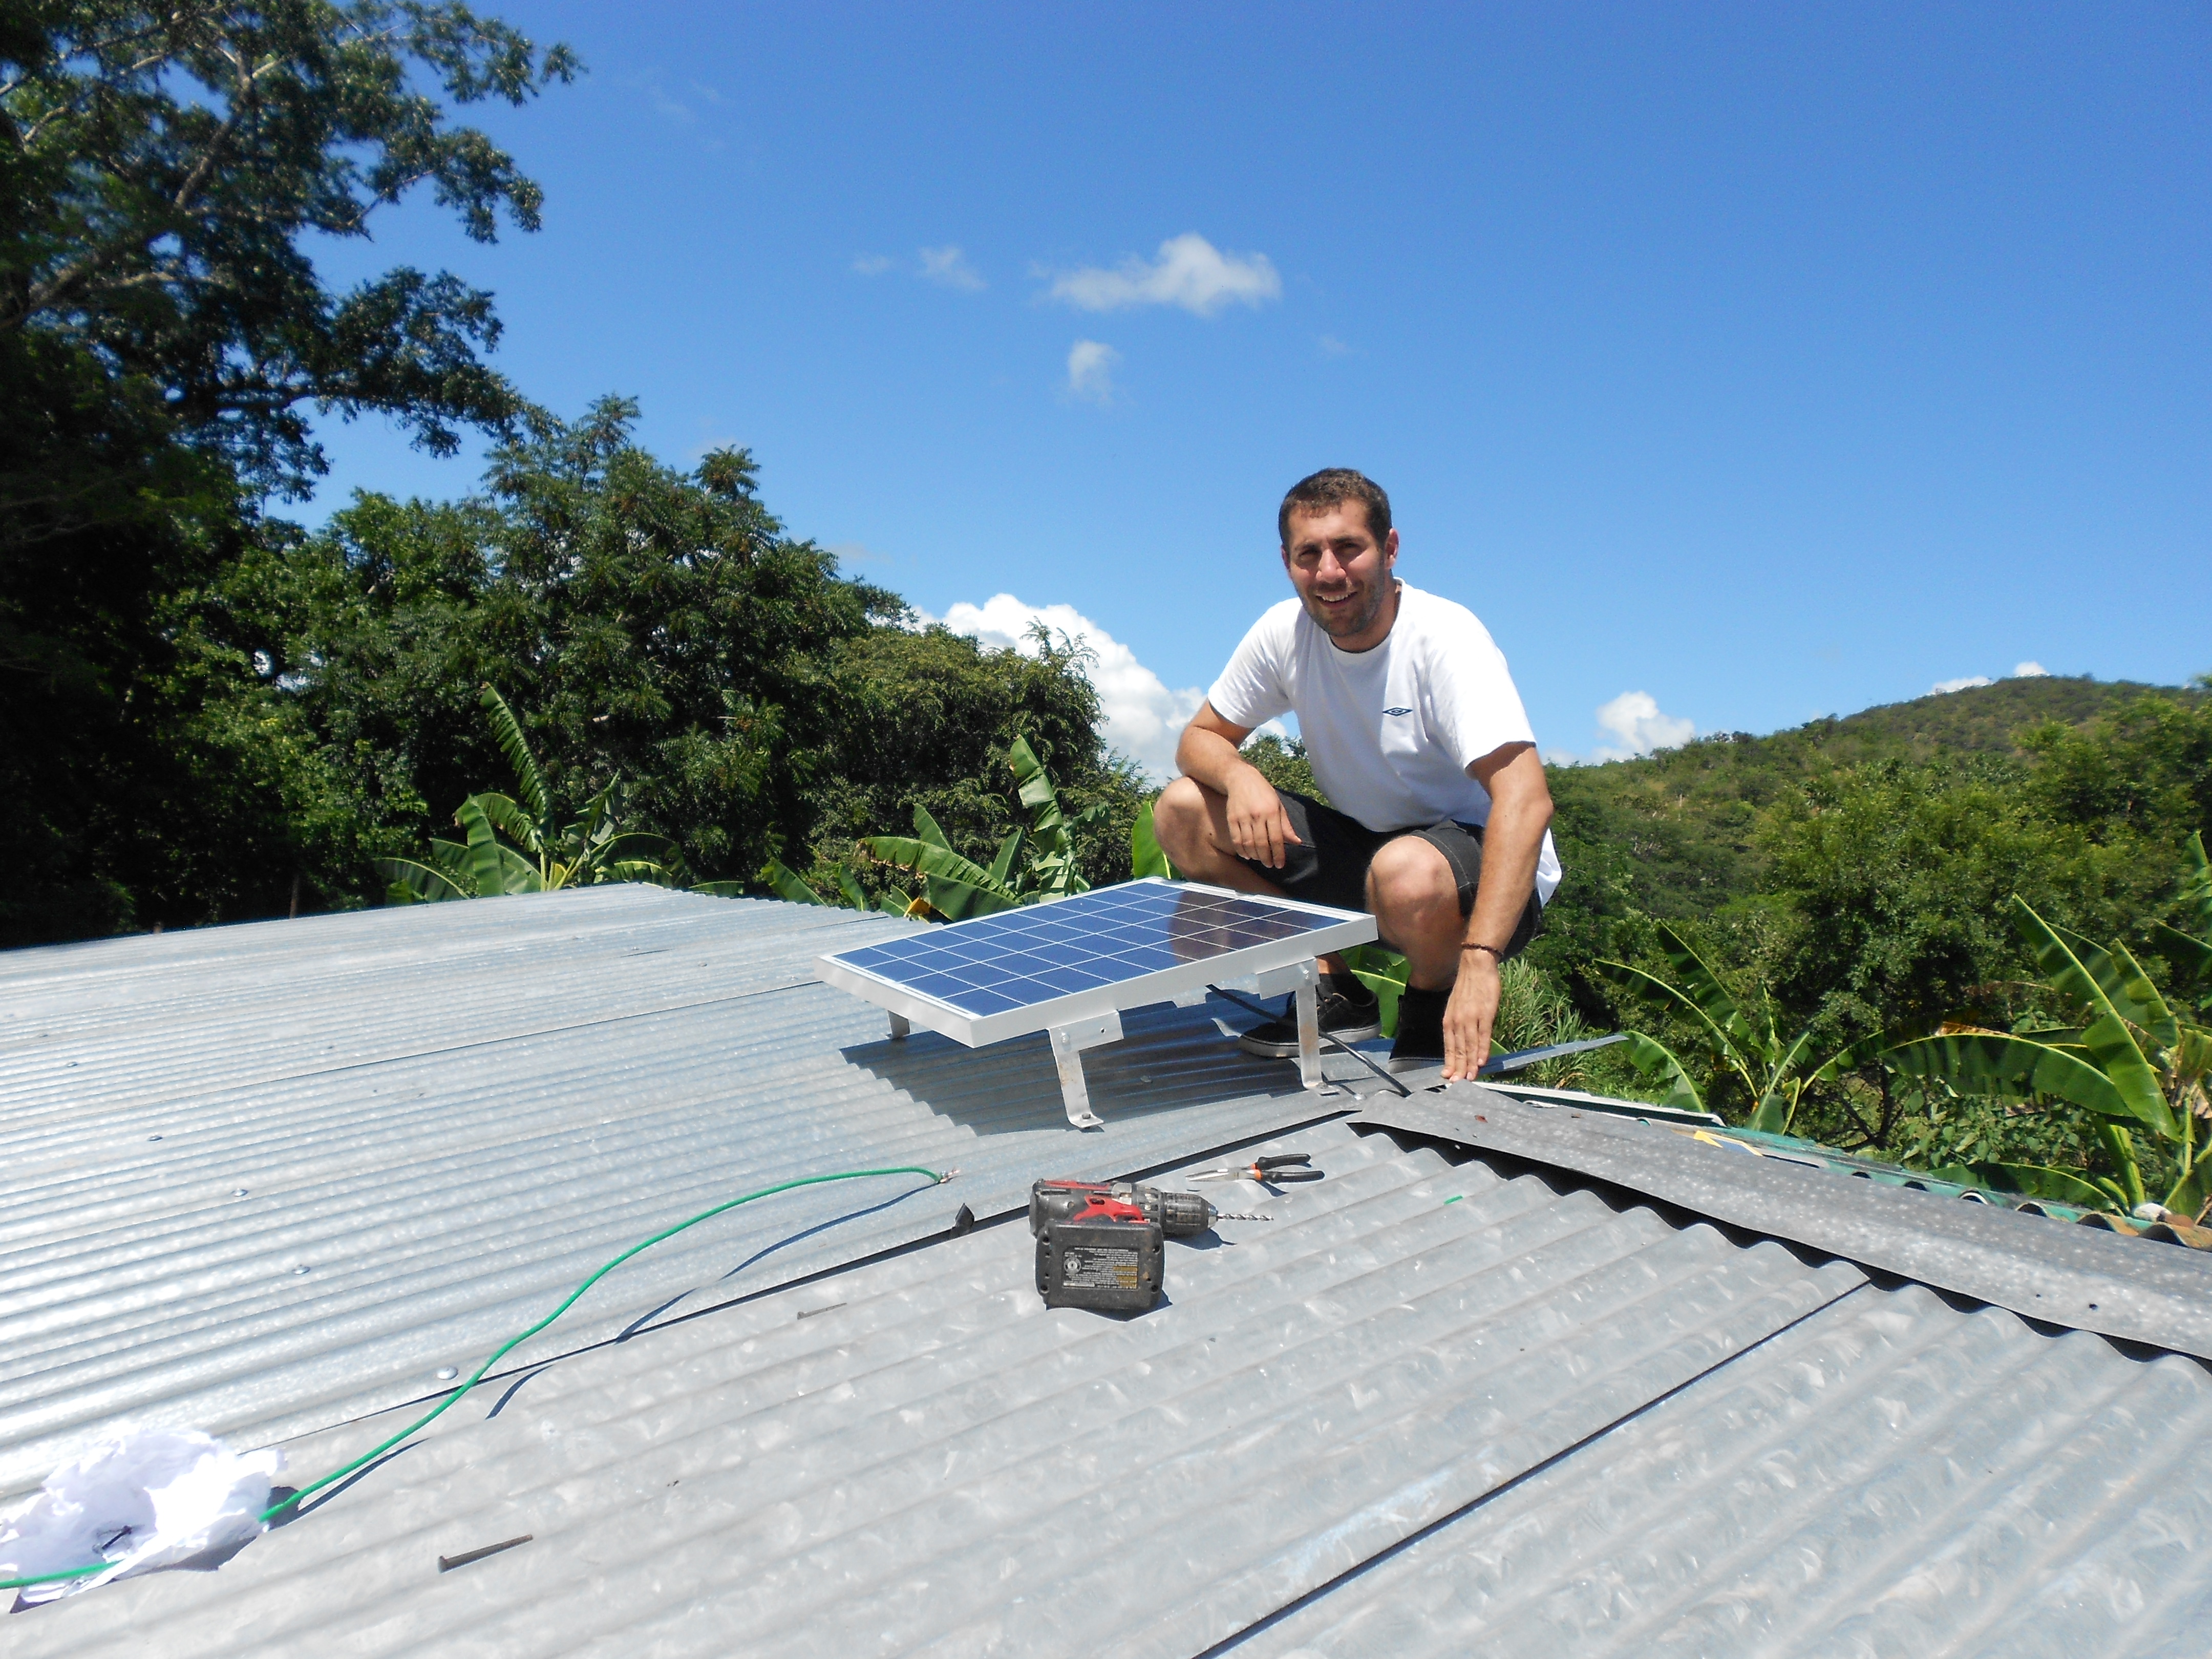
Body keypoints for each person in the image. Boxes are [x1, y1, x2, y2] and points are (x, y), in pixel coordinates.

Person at [1153, 467, 1561, 1081]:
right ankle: (1333, 989)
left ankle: (1433, 998)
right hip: (1373, 853)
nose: (1329, 573)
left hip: (1482, 875)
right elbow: (1199, 738)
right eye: (1308, 554)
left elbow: (1526, 801)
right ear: (1287, 561)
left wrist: (1481, 958)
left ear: (1390, 549)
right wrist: (1241, 777)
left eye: (1349, 548)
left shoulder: (1445, 639)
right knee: (1183, 811)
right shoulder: (1282, 633)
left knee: (1407, 870)